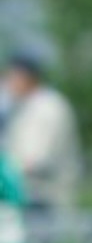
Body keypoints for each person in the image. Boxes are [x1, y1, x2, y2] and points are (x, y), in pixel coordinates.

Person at [0, 50, 81, 214]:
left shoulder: (46, 107)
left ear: (24, 77)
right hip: (32, 200)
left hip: (45, 203)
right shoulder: (26, 105)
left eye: (10, 76)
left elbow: (31, 161)